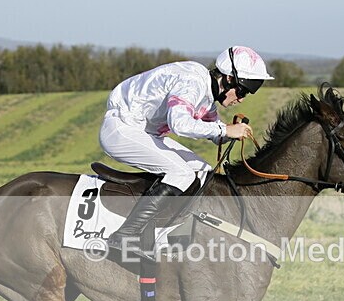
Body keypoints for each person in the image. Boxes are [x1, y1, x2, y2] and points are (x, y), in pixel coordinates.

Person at [98, 46, 274, 252]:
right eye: (243, 91)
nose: (242, 99)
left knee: (203, 170)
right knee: (181, 173)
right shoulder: (192, 82)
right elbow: (179, 124)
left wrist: (230, 132)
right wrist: (226, 129)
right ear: (227, 79)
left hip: (143, 132)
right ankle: (125, 235)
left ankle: (162, 236)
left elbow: (216, 135)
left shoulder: (207, 99)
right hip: (121, 129)